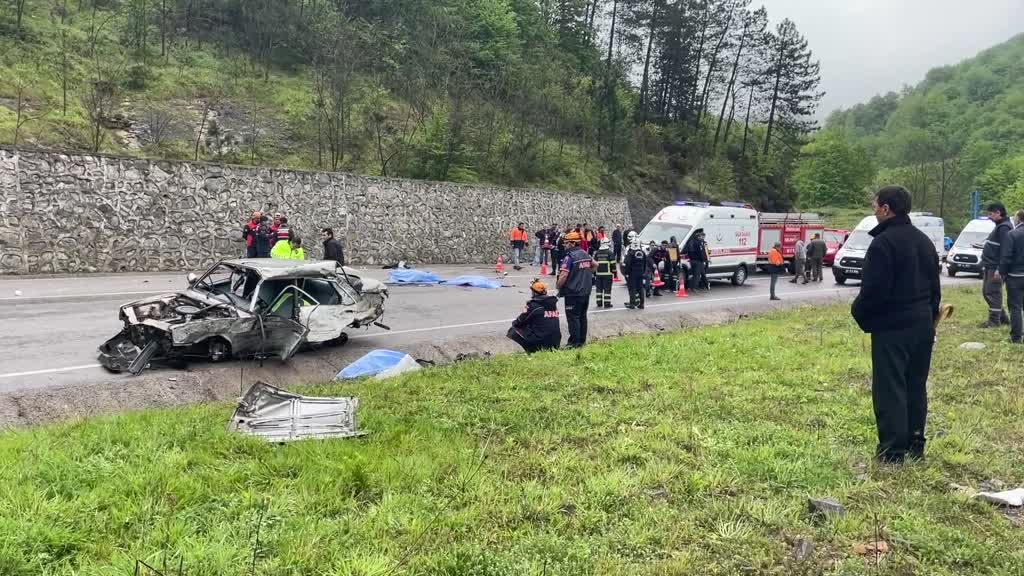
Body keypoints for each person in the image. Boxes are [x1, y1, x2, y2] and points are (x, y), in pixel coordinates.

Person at [852, 185, 941, 464]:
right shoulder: (924, 241)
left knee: (890, 388)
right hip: (923, 325)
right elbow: (935, 289)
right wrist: (930, 318)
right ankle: (916, 444)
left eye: (875, 205)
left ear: (886, 209)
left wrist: (861, 315)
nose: (873, 209)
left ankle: (892, 451)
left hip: (892, 328)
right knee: (916, 384)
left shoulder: (883, 243)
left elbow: (874, 292)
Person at [976, 203, 1013, 328]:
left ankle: (994, 322)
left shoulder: (1004, 228)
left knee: (992, 293)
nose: (989, 216)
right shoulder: (1000, 226)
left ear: (998, 213)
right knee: (987, 292)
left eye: (991, 214)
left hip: (995, 266)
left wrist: (999, 269)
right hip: (989, 264)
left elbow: (1006, 250)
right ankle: (1003, 318)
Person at [557, 231, 595, 347]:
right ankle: (582, 341)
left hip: (573, 292)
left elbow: (563, 275)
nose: (565, 245)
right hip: (585, 291)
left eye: (567, 243)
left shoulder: (569, 257)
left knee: (573, 318)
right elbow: (595, 265)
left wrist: (558, 286)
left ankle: (574, 343)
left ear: (573, 243)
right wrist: (586, 273)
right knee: (582, 316)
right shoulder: (585, 253)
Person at [507, 279, 561, 353]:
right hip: (556, 341)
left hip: (542, 341)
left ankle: (532, 350)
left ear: (534, 293)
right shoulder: (553, 304)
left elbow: (519, 321)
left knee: (513, 330)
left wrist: (524, 313)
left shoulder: (533, 305)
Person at [999, 209, 1024, 344]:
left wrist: (1002, 273)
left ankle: (1016, 337)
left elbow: (1006, 257)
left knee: (1015, 307)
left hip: (1015, 276)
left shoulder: (1012, 234)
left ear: (1019, 219)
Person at [623, 232, 649, 309]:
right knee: (640, 288)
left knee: (632, 288)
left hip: (632, 273)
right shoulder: (642, 253)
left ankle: (632, 304)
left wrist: (626, 273)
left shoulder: (631, 253)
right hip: (640, 273)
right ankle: (642, 304)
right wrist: (643, 272)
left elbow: (627, 264)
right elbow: (645, 263)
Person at [593, 238, 617, 309]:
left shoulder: (597, 253)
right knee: (607, 289)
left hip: (598, 275)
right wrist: (615, 273)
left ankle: (599, 303)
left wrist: (594, 273)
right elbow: (613, 264)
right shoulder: (609, 253)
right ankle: (607, 303)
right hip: (607, 275)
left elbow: (594, 264)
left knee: (599, 289)